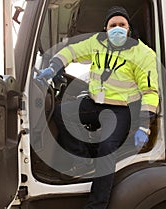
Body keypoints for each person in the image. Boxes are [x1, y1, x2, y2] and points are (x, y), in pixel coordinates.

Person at [37, 6, 159, 209]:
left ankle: (97, 205)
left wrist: (144, 125)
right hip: (95, 103)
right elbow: (72, 50)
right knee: (61, 112)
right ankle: (83, 161)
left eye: (122, 25)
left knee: (106, 148)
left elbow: (150, 92)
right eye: (113, 25)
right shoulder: (97, 43)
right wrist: (55, 65)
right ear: (106, 28)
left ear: (129, 29)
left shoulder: (143, 54)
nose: (117, 29)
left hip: (121, 109)